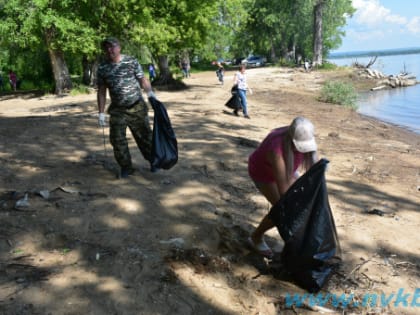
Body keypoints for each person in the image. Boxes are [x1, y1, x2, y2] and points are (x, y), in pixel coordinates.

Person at [247, 117, 319, 258]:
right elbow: (284, 191)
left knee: (298, 205)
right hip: (264, 173)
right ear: (292, 139)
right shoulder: (277, 149)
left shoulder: (304, 132)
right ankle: (255, 238)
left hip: (288, 169)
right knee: (282, 209)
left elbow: (314, 166)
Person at [97, 37, 157, 178]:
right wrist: (100, 113)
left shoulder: (131, 61)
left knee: (145, 137)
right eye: (106, 48)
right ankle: (126, 167)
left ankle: (153, 161)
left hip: (136, 106)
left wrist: (151, 94)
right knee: (117, 139)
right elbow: (101, 90)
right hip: (118, 110)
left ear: (119, 47)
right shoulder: (102, 67)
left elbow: (142, 79)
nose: (109, 50)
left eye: (112, 46)